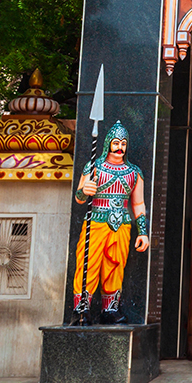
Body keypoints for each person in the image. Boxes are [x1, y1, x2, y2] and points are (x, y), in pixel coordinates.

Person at [71, 121, 150, 325]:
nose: (120, 147)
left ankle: (110, 308)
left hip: (122, 223)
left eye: (123, 143)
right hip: (96, 220)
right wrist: (84, 190)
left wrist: (143, 232)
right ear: (107, 143)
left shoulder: (134, 172)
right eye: (116, 142)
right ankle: (82, 308)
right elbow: (79, 198)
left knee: (115, 266)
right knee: (88, 263)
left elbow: (139, 203)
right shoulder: (93, 166)